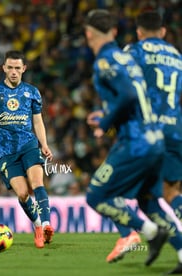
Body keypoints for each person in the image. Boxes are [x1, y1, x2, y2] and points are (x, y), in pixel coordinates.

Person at [83, 9, 182, 274]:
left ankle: (146, 233)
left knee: (96, 194)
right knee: (152, 198)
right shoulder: (176, 56)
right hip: (167, 133)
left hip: (138, 139)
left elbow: (128, 94)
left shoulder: (127, 54)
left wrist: (105, 123)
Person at [0, 50, 54, 248]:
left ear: (24, 69)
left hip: (29, 145)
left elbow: (38, 122)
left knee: (37, 181)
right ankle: (38, 226)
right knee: (22, 194)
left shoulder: (32, 92)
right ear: (4, 68)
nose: (14, 72)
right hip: (6, 152)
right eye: (10, 67)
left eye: (17, 68)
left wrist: (44, 144)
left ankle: (47, 224)